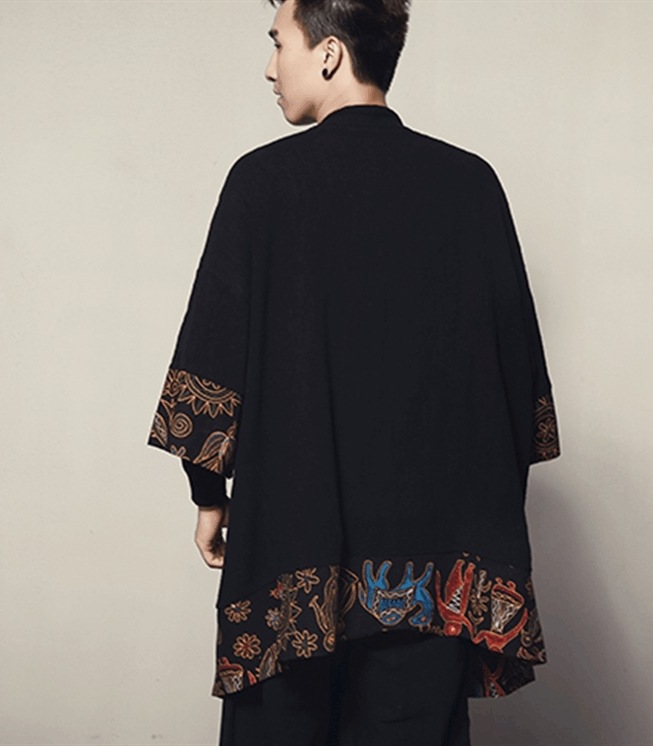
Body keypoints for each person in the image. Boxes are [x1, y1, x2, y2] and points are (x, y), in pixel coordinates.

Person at [147, 0, 561, 743]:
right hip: (434, 581)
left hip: (291, 564)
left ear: (330, 52)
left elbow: (211, 364)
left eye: (279, 43)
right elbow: (517, 394)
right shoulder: (471, 186)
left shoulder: (264, 184)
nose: (270, 67)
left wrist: (209, 494)